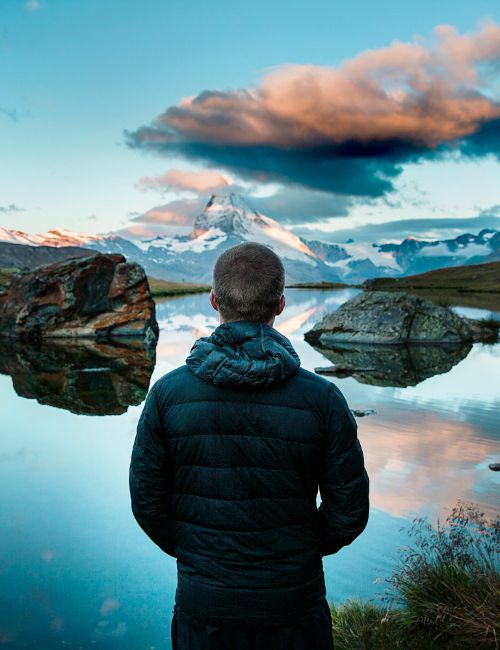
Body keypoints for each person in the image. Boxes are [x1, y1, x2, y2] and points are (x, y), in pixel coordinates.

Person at [129, 242, 370, 650]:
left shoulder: (167, 395)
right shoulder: (323, 399)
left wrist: (197, 553)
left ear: (213, 301)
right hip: (294, 605)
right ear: (280, 304)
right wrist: (301, 551)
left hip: (204, 606)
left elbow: (147, 503)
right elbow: (349, 511)